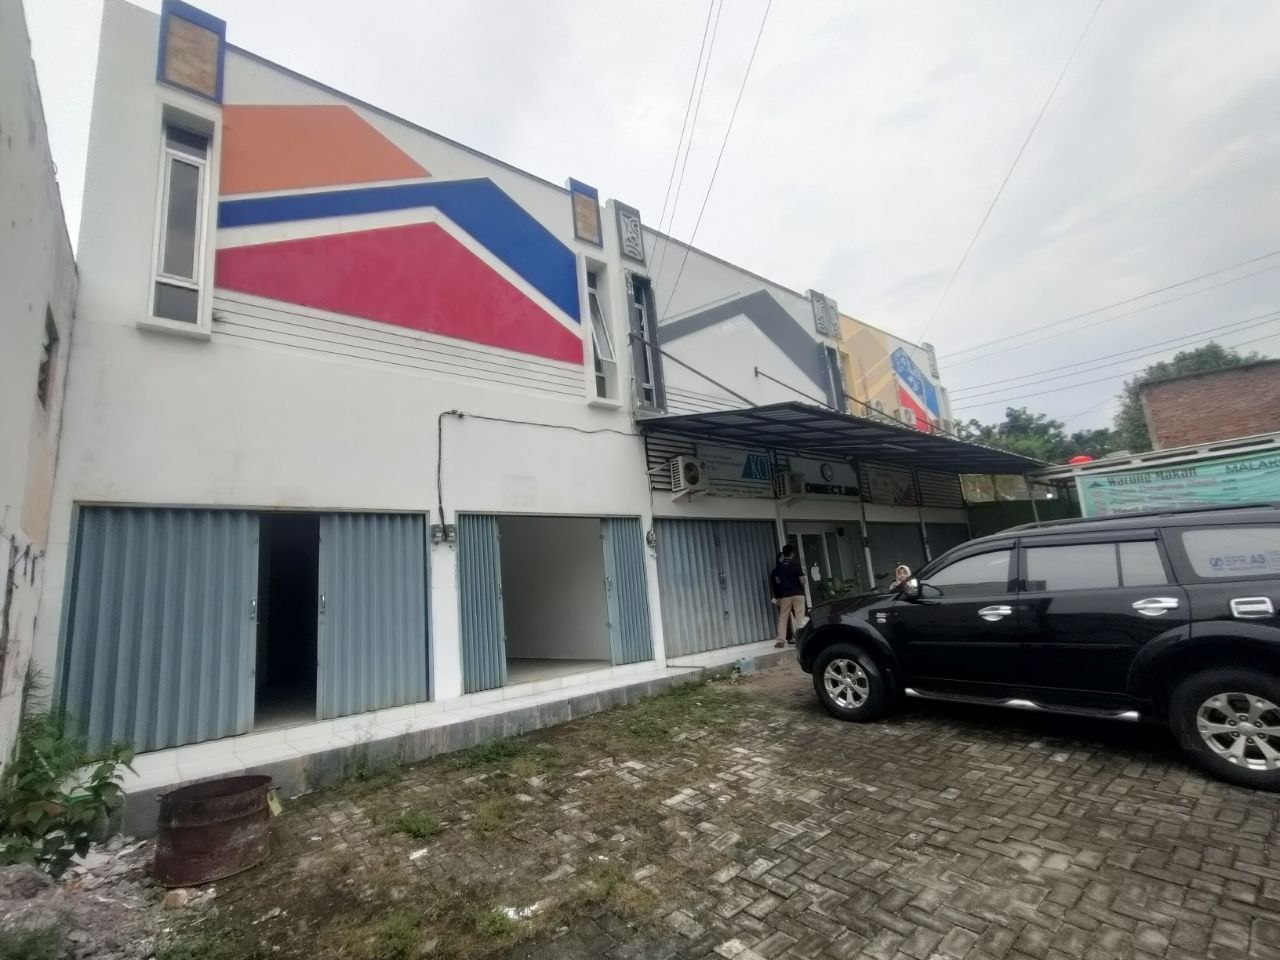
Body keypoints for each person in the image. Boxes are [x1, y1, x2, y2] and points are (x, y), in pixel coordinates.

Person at [771, 544, 807, 648]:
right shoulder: (796, 565)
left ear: (784, 553)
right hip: (798, 594)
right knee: (800, 618)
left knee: (783, 617)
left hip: (785, 596)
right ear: (792, 553)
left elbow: (778, 582)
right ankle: (802, 639)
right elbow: (802, 580)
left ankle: (781, 641)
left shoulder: (779, 568)